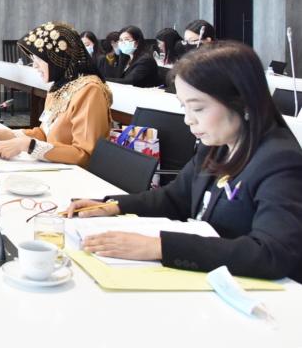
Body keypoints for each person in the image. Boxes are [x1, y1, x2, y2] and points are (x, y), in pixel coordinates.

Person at [68, 41, 302, 282]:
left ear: (243, 102)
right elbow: (175, 198)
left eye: (197, 109)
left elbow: (270, 253)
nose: (188, 120)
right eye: (184, 107)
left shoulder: (280, 162)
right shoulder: (216, 146)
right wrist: (114, 206)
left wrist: (159, 247)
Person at [0, 22, 112, 167]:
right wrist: (3, 134)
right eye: (33, 59)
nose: (34, 65)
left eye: (39, 59)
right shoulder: (59, 87)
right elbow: (45, 134)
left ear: (57, 56)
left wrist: (28, 146)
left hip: (78, 175)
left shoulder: (89, 90)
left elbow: (85, 154)